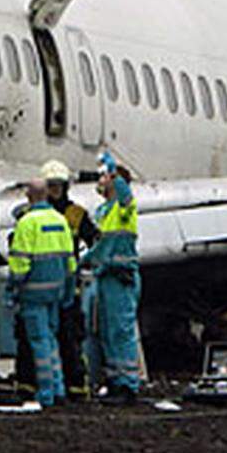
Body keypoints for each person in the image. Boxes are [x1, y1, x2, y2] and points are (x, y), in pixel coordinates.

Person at [5, 178, 74, 408]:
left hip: (33, 292)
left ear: (29, 196)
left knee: (39, 341)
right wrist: (67, 290)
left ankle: (46, 393)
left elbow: (20, 264)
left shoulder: (26, 223)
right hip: (55, 290)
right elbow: (69, 260)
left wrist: (12, 289)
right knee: (52, 339)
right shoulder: (60, 220)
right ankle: (59, 388)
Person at [81, 151, 141, 403]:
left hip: (120, 278)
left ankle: (128, 385)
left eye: (104, 177)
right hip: (104, 277)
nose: (101, 180)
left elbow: (126, 197)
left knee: (121, 332)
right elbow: (100, 246)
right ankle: (114, 381)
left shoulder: (124, 206)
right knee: (105, 332)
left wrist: (114, 171)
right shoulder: (103, 210)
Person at [41, 160, 97, 400]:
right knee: (42, 338)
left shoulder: (76, 214)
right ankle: (51, 386)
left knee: (70, 336)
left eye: (58, 185)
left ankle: (76, 385)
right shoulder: (36, 213)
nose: (55, 190)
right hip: (43, 286)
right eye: (50, 185)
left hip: (67, 286)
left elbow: (94, 238)